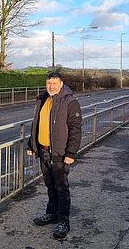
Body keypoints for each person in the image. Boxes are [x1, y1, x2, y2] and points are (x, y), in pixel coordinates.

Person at [27, 72, 82, 239]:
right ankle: (52, 214)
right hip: (43, 150)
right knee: (50, 185)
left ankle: (63, 221)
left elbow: (75, 129)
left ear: (61, 83)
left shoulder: (70, 102)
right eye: (49, 83)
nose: (51, 86)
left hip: (59, 153)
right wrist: (32, 144)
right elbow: (37, 124)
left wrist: (71, 153)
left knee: (61, 187)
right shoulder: (43, 99)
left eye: (54, 83)